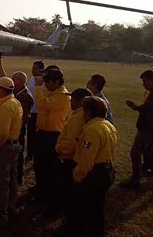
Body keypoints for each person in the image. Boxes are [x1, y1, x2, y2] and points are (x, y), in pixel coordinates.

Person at [66, 96, 117, 237]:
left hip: (93, 174)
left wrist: (77, 175)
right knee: (97, 208)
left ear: (88, 113)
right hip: (106, 168)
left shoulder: (92, 131)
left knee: (83, 208)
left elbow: (87, 159)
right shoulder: (108, 125)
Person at [121, 70, 153, 190]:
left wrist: (136, 108)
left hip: (148, 129)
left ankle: (136, 180)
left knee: (135, 153)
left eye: (145, 81)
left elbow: (150, 111)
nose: (143, 84)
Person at [33, 68, 70, 207]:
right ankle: (40, 193)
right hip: (42, 133)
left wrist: (37, 87)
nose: (45, 85)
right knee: (39, 166)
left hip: (53, 136)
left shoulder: (63, 96)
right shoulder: (51, 92)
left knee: (49, 169)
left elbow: (42, 103)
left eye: (47, 82)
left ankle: (49, 198)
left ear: (56, 82)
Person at [55, 88, 93, 222]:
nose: (71, 101)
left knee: (68, 191)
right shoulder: (78, 114)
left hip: (70, 159)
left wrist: (58, 148)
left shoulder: (78, 118)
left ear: (82, 101)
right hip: (71, 158)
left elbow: (72, 143)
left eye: (74, 99)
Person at [0, 76, 23, 226]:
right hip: (14, 145)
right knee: (11, 180)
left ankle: (0, 214)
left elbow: (2, 133)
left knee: (0, 182)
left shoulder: (6, 106)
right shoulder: (14, 102)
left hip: (6, 147)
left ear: (2, 90)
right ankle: (10, 208)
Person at [12, 71, 33, 185]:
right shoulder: (17, 92)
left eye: (13, 79)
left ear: (20, 81)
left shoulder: (26, 96)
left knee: (18, 154)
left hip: (19, 129)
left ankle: (19, 178)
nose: (12, 81)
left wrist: (16, 130)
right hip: (15, 128)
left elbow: (23, 117)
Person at [26, 60, 45, 161]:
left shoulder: (44, 82)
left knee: (38, 135)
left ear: (41, 69)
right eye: (33, 68)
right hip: (31, 111)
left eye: (35, 68)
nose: (33, 70)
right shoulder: (31, 79)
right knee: (30, 133)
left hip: (40, 112)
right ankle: (30, 153)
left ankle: (37, 153)